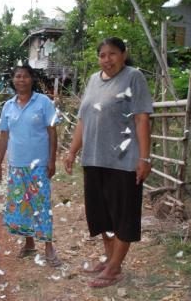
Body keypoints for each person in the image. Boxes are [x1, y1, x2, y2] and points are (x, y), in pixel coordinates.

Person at [64, 37, 153, 287]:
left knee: (123, 215)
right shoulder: (93, 80)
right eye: (102, 55)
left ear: (123, 54)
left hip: (124, 160)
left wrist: (145, 158)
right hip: (94, 158)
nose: (107, 60)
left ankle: (114, 268)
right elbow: (83, 120)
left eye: (112, 54)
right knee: (102, 215)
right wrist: (72, 151)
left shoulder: (133, 77)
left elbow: (141, 119)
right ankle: (109, 258)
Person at [0, 64, 62, 267]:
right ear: (13, 80)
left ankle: (49, 248)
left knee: (41, 205)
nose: (20, 80)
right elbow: (4, 135)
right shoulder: (8, 106)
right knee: (22, 207)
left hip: (39, 165)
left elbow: (52, 132)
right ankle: (29, 244)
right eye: (17, 76)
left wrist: (52, 160)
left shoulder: (43, 102)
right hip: (16, 165)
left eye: (24, 76)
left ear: (32, 79)